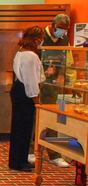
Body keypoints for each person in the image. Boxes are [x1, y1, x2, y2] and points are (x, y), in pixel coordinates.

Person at [27, 14, 73, 168]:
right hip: (37, 85)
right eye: (60, 28)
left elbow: (64, 60)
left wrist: (60, 76)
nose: (62, 32)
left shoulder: (64, 39)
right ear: (53, 25)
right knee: (35, 117)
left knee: (53, 119)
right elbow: (31, 60)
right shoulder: (40, 38)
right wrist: (42, 73)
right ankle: (31, 151)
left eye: (65, 29)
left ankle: (54, 154)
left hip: (52, 87)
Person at [9, 26, 45, 172]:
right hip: (25, 92)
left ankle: (16, 160)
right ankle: (20, 162)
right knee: (24, 128)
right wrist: (36, 101)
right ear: (36, 39)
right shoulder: (31, 56)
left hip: (18, 89)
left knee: (18, 128)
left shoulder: (20, 52)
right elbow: (31, 81)